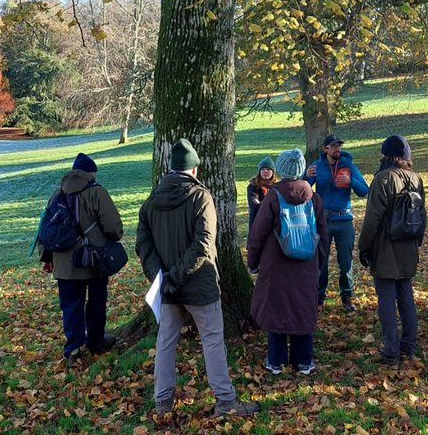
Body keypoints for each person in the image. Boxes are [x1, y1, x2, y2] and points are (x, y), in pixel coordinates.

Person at [135, 138, 259, 417]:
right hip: (199, 284)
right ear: (193, 170)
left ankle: (163, 402)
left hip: (167, 287)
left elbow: (143, 245)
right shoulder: (200, 197)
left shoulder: (151, 202)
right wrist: (174, 276)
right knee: (213, 340)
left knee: (166, 342)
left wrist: (162, 277)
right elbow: (204, 243)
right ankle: (225, 402)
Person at [247, 149, 331, 374]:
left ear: (281, 170)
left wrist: (253, 261)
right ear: (301, 168)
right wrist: (319, 263)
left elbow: (258, 233)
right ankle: (303, 360)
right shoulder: (314, 198)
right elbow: (323, 234)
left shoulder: (273, 197)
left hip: (276, 264)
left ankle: (275, 360)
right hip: (306, 264)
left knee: (277, 307)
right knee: (303, 307)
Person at [38, 152, 124, 365]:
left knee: (70, 306)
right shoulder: (97, 192)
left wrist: (47, 258)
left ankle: (74, 349)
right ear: (90, 173)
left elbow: (45, 229)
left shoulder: (56, 195)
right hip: (94, 261)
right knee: (96, 302)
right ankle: (95, 341)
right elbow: (113, 228)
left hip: (64, 265)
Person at [358, 135, 425, 367]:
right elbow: (421, 215)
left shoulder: (383, 179)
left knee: (386, 297)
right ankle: (409, 346)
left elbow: (373, 219)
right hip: (408, 243)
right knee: (406, 295)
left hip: (386, 245)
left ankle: (391, 351)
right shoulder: (416, 178)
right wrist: (417, 242)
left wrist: (364, 246)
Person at [306, 134, 369, 310]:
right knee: (321, 260)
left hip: (344, 220)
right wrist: (305, 176)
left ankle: (347, 296)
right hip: (324, 220)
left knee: (346, 260)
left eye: (339, 146)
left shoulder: (348, 166)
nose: (337, 149)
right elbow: (302, 190)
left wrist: (351, 181)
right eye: (333, 146)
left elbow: (365, 190)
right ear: (326, 149)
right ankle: (318, 297)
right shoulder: (317, 166)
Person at [246, 156, 277, 231]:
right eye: (263, 169)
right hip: (257, 222)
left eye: (268, 169)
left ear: (273, 172)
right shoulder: (253, 186)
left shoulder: (276, 186)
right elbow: (254, 205)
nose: (265, 171)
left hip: (273, 224)